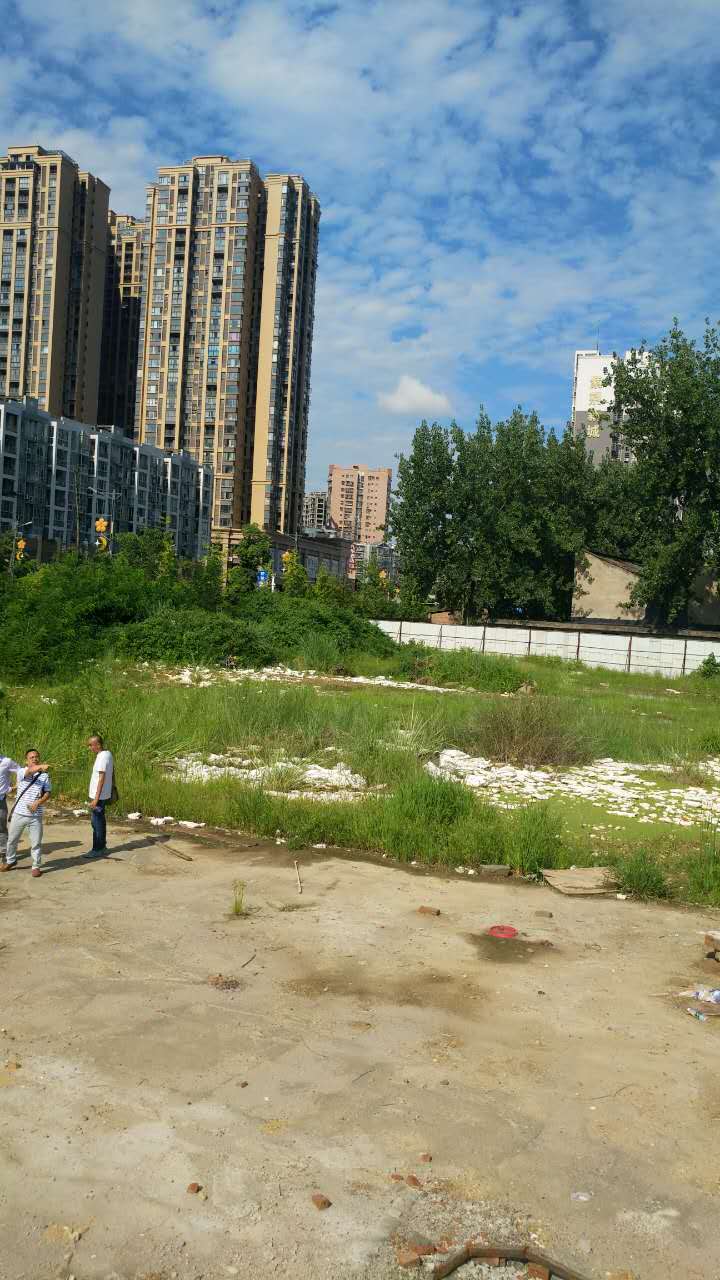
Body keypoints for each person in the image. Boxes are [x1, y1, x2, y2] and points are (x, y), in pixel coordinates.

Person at [1, 749, 51, 877]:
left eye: (36, 757)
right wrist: (41, 766)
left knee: (36, 843)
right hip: (19, 813)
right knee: (12, 840)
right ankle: (10, 861)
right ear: (26, 761)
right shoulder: (21, 772)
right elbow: (29, 771)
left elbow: (47, 793)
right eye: (31, 757)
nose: (34, 759)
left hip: (36, 815)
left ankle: (36, 866)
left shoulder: (44, 776)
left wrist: (38, 802)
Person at [87, 734, 114, 856]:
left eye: (90, 745)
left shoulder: (102, 757)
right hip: (103, 795)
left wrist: (95, 799)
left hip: (99, 796)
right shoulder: (107, 754)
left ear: (98, 745)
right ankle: (102, 847)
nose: (89, 748)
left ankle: (97, 849)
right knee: (100, 822)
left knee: (96, 823)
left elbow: (101, 778)